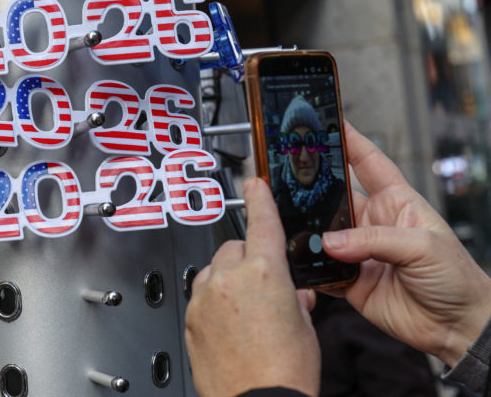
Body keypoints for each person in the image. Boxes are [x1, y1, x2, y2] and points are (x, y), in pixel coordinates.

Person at [185, 121, 491, 397]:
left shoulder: (356, 318)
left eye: (312, 146)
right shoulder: (360, 310)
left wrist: (262, 386)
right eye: (293, 148)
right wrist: (468, 324)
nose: (303, 157)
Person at [271, 96, 349, 264]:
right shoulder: (270, 201)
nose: (304, 157)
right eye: (295, 144)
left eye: (311, 142)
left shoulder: (342, 196)